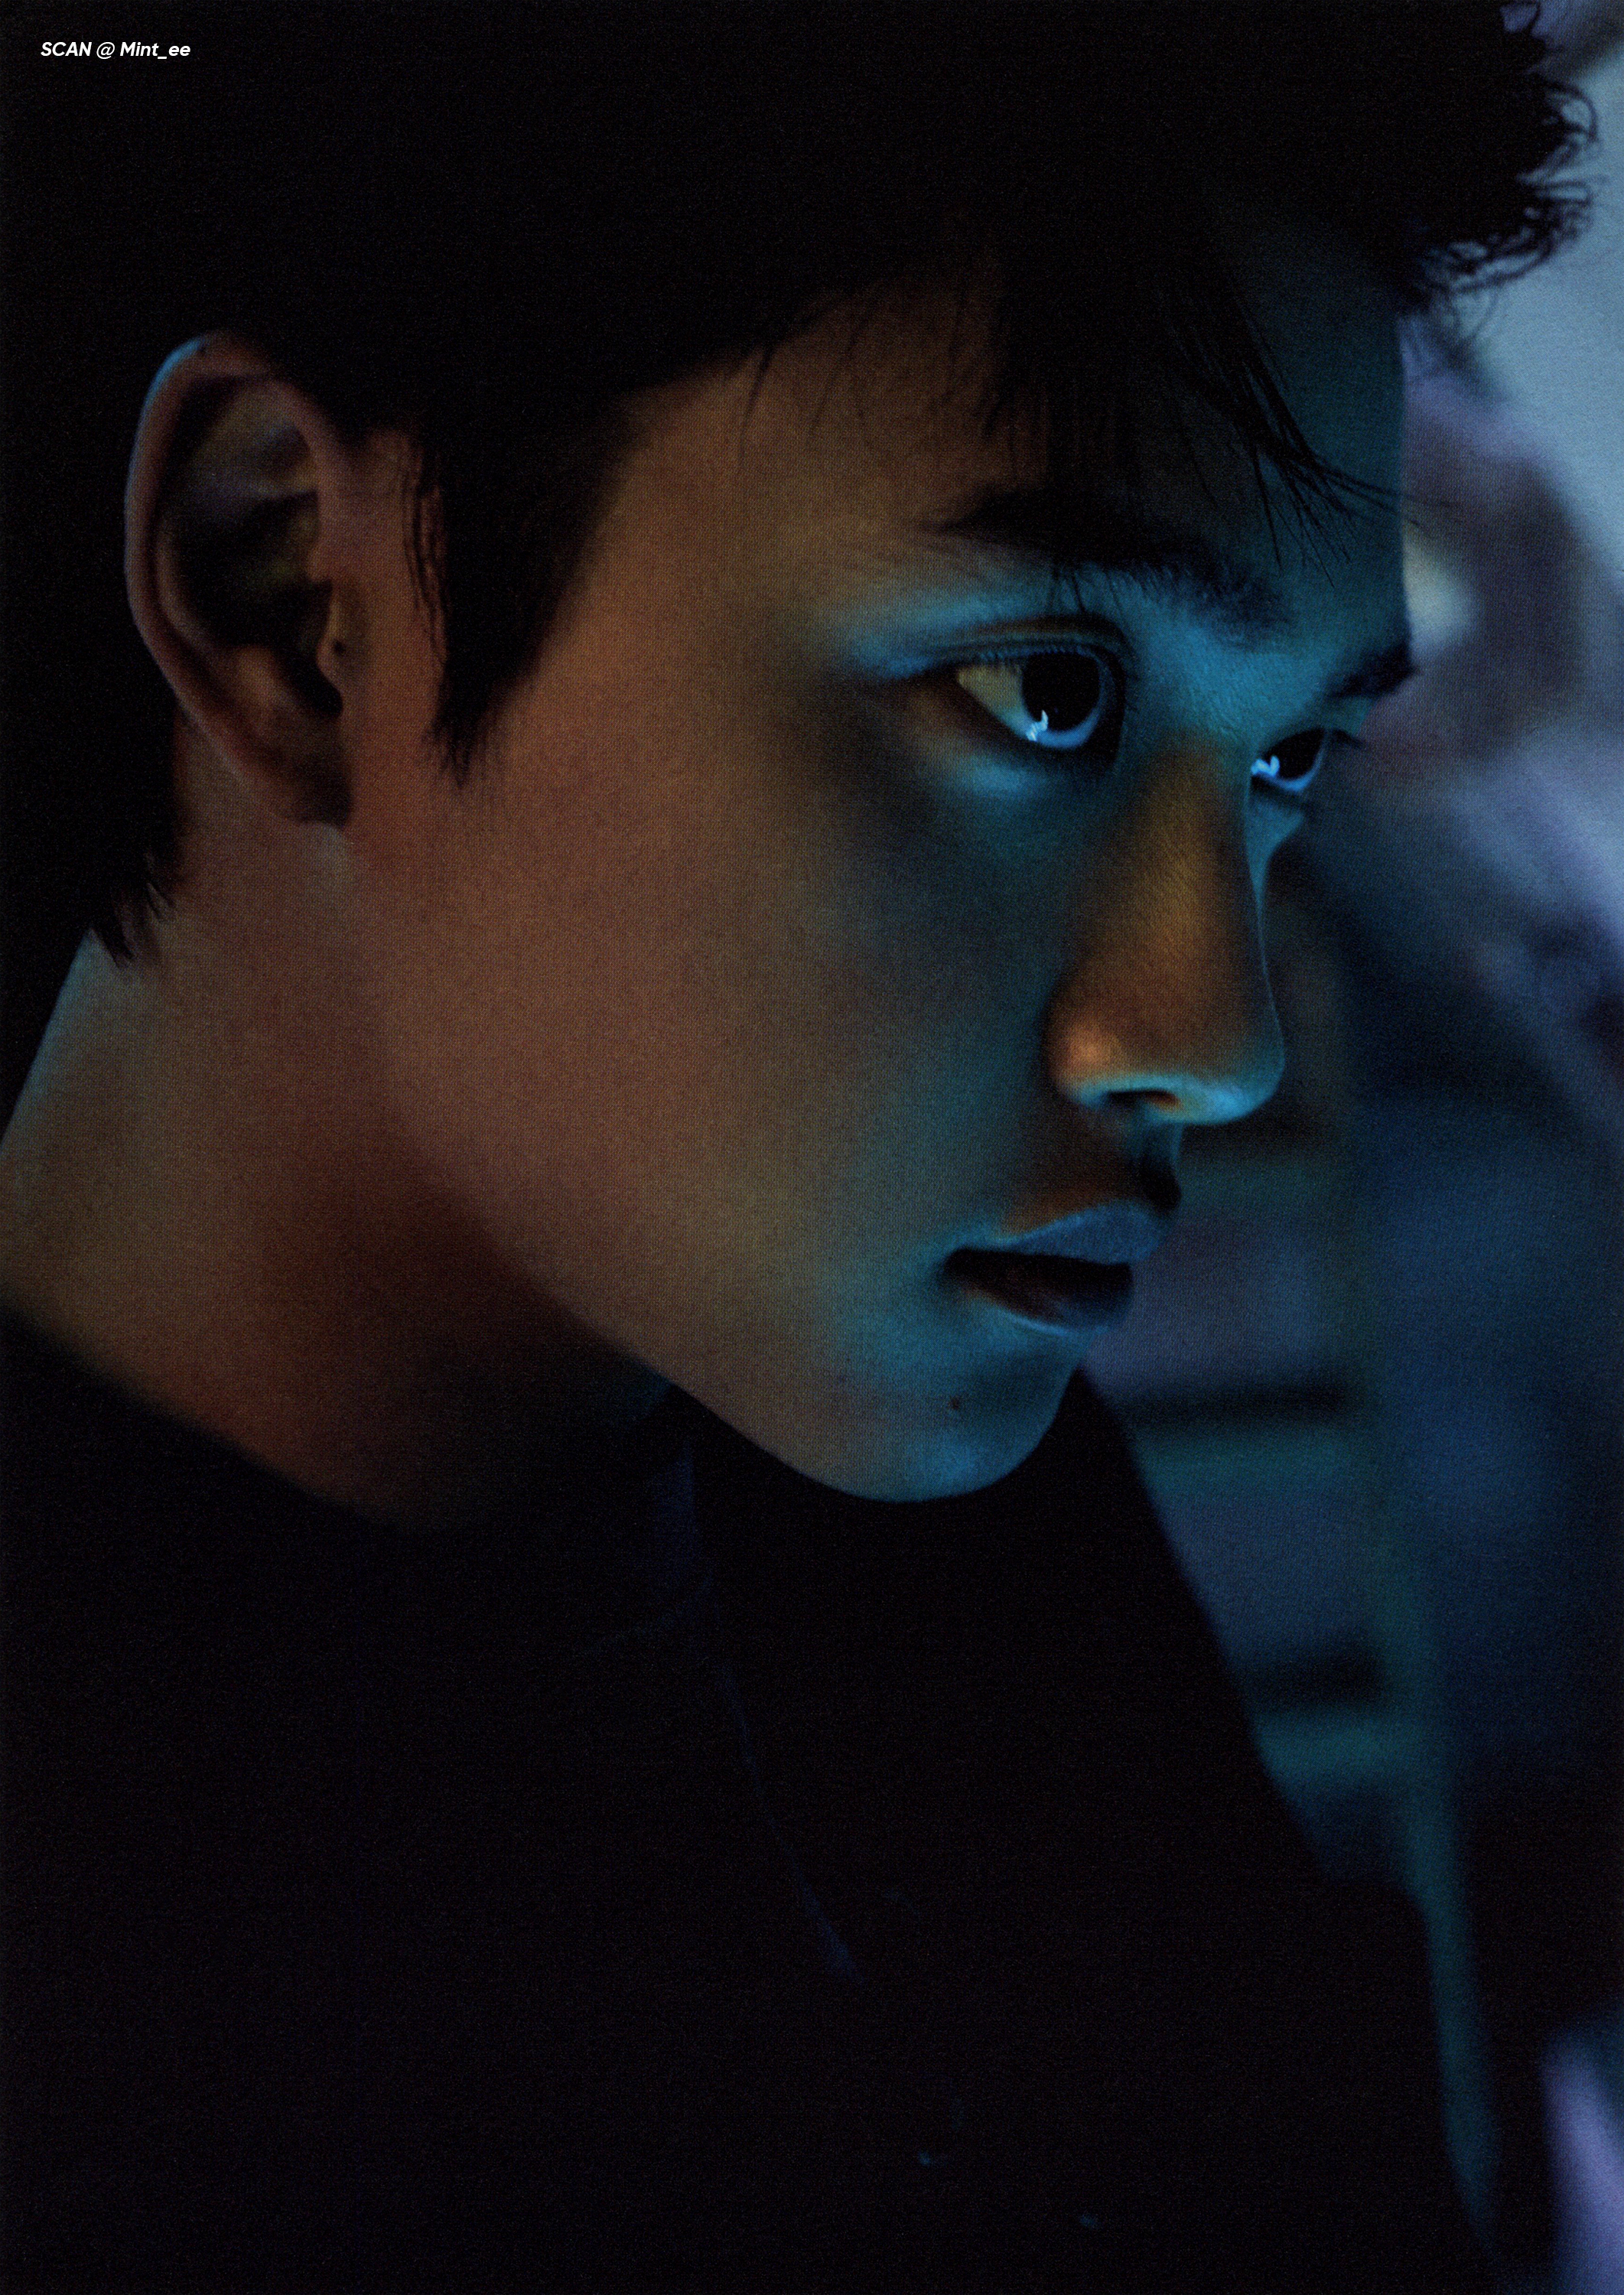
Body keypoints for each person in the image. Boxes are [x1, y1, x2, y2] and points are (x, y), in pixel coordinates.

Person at [0, 5, 1589, 2286]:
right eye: (1038, 690)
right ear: (293, 600)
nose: (1209, 1041)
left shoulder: (873, 1458)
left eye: (1280, 768)